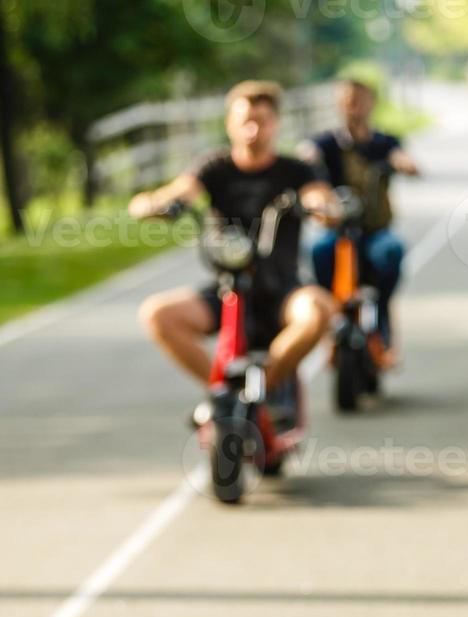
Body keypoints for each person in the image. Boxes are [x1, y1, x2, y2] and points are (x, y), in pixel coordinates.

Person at [130, 81, 338, 390]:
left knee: (317, 310)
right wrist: (153, 204)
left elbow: (319, 198)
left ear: (275, 124)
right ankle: (221, 390)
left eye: (262, 121)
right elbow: (182, 190)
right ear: (230, 125)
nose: (253, 129)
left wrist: (320, 205)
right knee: (157, 314)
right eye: (245, 122)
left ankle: (267, 387)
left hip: (281, 290)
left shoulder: (296, 170)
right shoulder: (214, 167)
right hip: (227, 288)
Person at [300, 78, 420, 352]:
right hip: (336, 230)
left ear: (371, 103)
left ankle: (382, 315)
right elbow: (306, 155)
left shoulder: (384, 142)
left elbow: (401, 157)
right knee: (318, 250)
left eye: (358, 100)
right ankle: (333, 314)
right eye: (346, 101)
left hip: (375, 230)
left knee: (391, 251)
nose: (352, 107)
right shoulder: (326, 142)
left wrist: (404, 164)